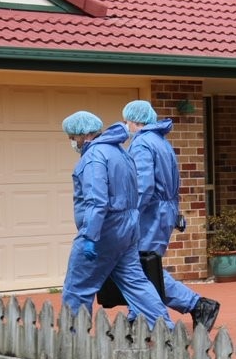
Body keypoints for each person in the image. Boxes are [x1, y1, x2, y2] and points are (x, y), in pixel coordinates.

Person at [60, 110, 175, 331]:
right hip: (128, 229)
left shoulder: (93, 157)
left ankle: (72, 338)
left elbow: (96, 201)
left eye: (72, 137)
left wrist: (90, 236)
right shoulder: (119, 152)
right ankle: (166, 329)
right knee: (136, 282)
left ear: (83, 134)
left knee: (78, 286)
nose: (71, 142)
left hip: (104, 230)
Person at [123, 100, 221, 332]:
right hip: (163, 211)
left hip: (150, 213)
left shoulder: (142, 144)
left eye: (126, 121)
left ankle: (197, 305)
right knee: (146, 266)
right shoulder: (161, 142)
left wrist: (130, 214)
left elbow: (143, 186)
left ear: (135, 121)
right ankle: (138, 315)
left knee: (142, 268)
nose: (125, 125)